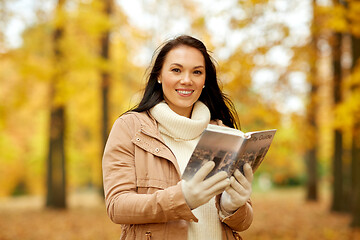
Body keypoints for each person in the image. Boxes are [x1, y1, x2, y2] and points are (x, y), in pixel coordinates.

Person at [102, 35, 253, 240]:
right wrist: (182, 199)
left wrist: (232, 206)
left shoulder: (224, 133)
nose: (187, 80)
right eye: (176, 70)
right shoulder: (130, 127)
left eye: (197, 72)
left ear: (205, 80)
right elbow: (117, 206)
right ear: (159, 75)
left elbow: (243, 223)